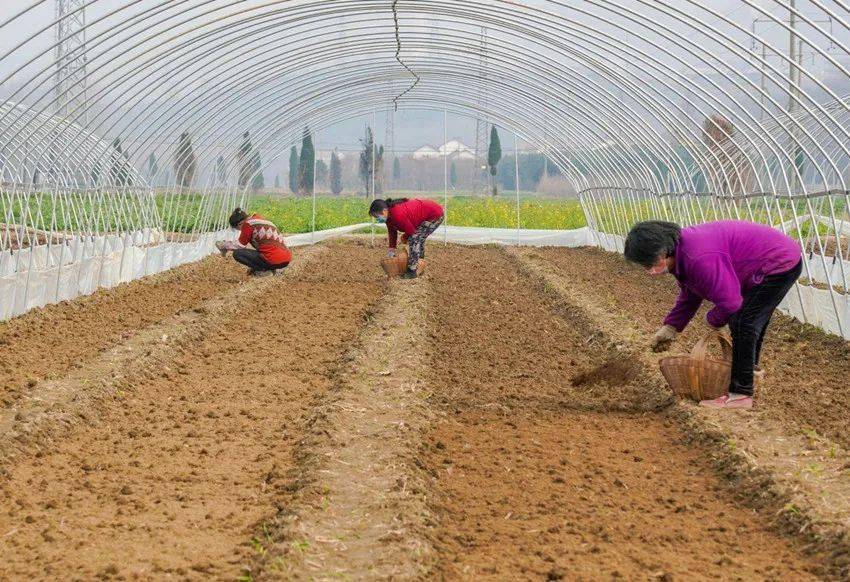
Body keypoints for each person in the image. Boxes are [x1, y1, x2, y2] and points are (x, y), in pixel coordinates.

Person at [623, 220, 802, 410]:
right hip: (770, 259)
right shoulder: (682, 253)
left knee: (743, 322)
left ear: (661, 251)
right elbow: (691, 294)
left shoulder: (698, 256)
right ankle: (747, 373)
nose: (649, 271)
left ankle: (740, 394)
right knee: (748, 321)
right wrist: (671, 327)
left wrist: (712, 320)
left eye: (649, 264)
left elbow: (731, 302)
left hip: (778, 263)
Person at [369, 198, 445, 279]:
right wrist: (391, 248)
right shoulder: (389, 217)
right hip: (427, 214)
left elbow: (411, 231)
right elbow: (392, 232)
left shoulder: (397, 214)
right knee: (418, 238)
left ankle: (412, 270)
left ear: (384, 211)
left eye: (377, 216)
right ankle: (420, 263)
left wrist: (404, 237)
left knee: (414, 239)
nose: (377, 219)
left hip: (435, 215)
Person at [227, 208, 292, 277]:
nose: (240, 231)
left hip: (273, 260)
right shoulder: (259, 219)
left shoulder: (248, 224)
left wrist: (224, 246)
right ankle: (274, 269)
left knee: (238, 253)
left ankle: (265, 271)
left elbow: (240, 245)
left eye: (238, 229)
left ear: (240, 224)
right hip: (286, 259)